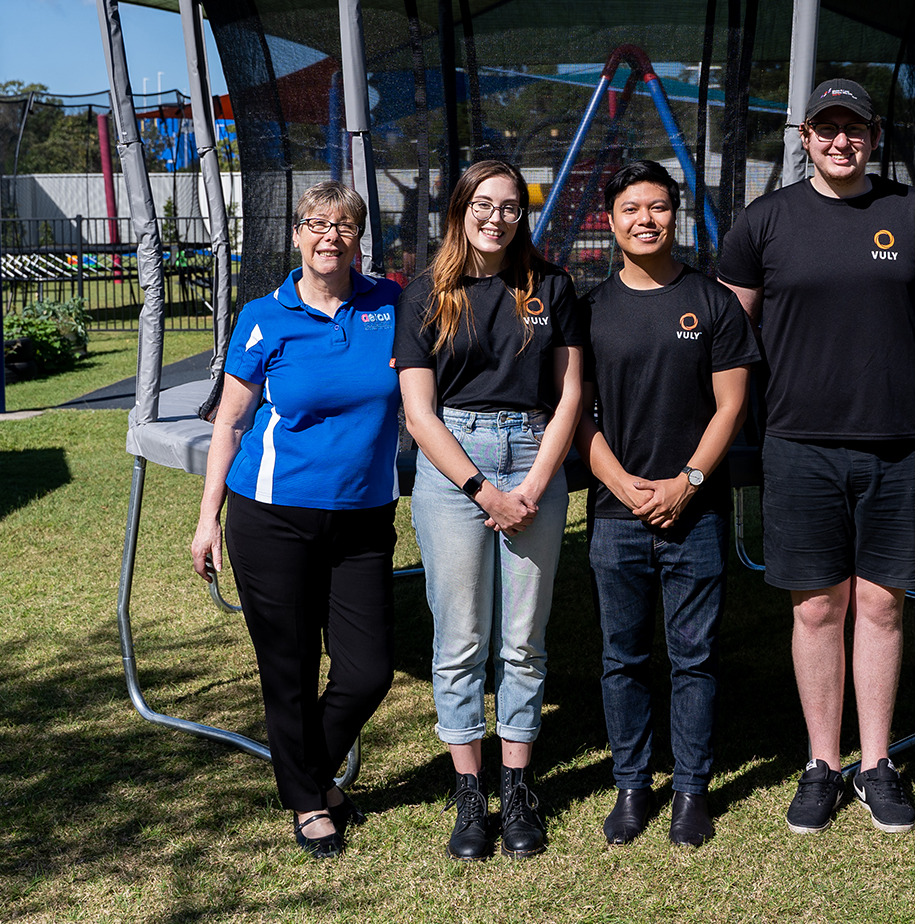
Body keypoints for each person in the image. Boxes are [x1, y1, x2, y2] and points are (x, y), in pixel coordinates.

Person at [716, 78, 915, 835]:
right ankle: (822, 762)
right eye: (826, 128)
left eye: (852, 128)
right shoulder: (764, 223)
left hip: (899, 442)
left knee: (884, 604)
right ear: (803, 135)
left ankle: (876, 763)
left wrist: (879, 363)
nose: (839, 141)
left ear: (873, 133)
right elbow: (735, 330)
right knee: (818, 606)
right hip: (799, 444)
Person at [189, 181, 401, 860]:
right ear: (297, 234)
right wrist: (206, 519)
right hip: (270, 516)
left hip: (364, 518)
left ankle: (304, 772)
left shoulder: (393, 306)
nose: (329, 236)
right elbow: (229, 421)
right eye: (317, 223)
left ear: (359, 239)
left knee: (368, 671)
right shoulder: (263, 315)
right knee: (289, 665)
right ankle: (312, 799)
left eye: (343, 225)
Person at [394, 158, 585, 861]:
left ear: (522, 214)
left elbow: (570, 395)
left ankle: (518, 785)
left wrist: (533, 485)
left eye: (510, 205)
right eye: (484, 203)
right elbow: (419, 413)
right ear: (461, 208)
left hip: (535, 459)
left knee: (524, 639)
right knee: (462, 639)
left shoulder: (552, 286)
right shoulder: (426, 293)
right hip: (455, 469)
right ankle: (471, 795)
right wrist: (483, 491)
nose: (497, 216)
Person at [575, 159, 760, 848]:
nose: (645, 219)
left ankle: (690, 791)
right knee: (621, 656)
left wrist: (687, 482)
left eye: (657, 206)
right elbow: (576, 412)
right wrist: (623, 485)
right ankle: (631, 786)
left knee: (694, 657)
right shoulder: (589, 308)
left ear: (674, 215)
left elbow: (732, 404)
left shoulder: (712, 302)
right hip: (615, 515)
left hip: (695, 514)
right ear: (611, 219)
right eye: (631, 208)